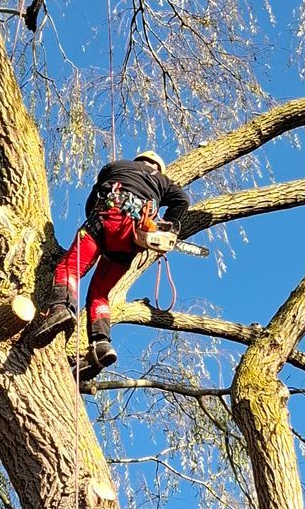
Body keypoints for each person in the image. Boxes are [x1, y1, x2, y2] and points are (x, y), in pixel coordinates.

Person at [31, 149, 191, 376]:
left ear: (139, 161)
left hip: (107, 219)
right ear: (158, 167)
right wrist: (171, 223)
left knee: (70, 268)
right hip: (131, 240)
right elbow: (183, 200)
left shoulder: (116, 166)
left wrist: (94, 221)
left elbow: (91, 203)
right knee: (100, 294)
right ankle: (101, 345)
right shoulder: (163, 182)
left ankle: (62, 309)